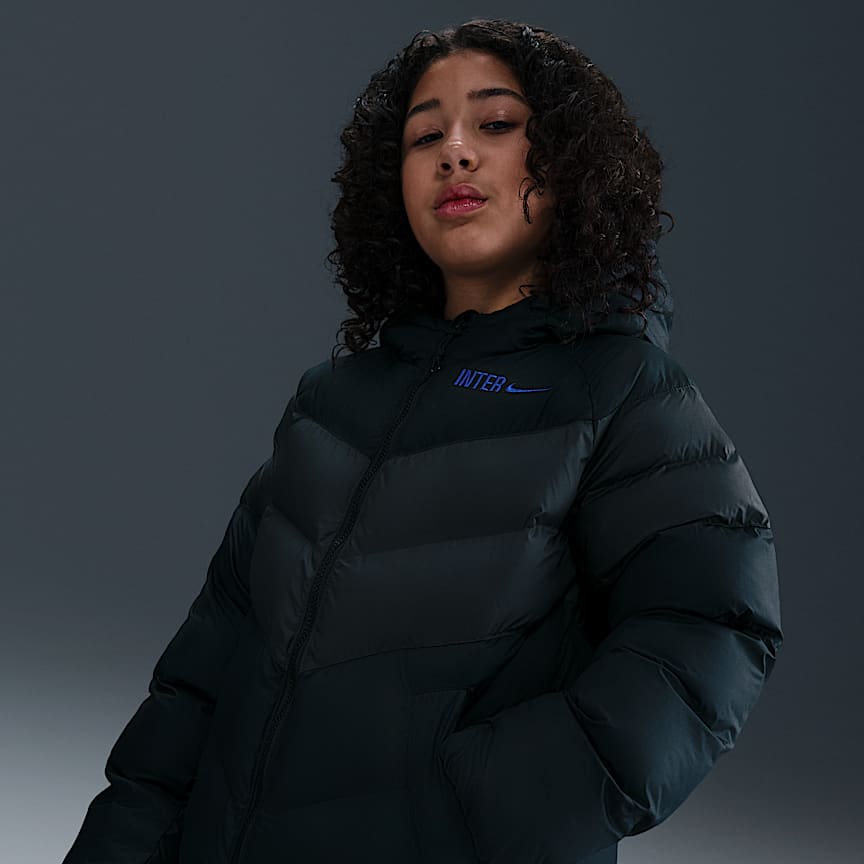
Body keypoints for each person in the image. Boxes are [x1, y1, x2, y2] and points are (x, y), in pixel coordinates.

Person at [62, 18, 784, 864]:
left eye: (496, 123)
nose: (455, 153)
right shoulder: (332, 401)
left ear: (572, 159)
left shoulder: (622, 392)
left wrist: (488, 809)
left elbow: (712, 625)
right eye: (423, 137)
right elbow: (202, 674)